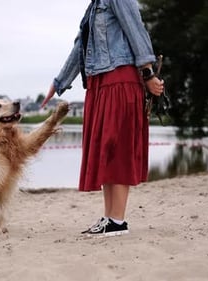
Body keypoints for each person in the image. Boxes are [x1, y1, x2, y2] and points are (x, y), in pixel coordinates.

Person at [41, 0, 164, 237]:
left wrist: (148, 74)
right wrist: (59, 83)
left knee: (117, 147)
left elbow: (136, 30)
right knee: (104, 149)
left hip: (120, 78)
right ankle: (109, 218)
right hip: (99, 82)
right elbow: (80, 47)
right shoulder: (93, 6)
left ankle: (118, 220)